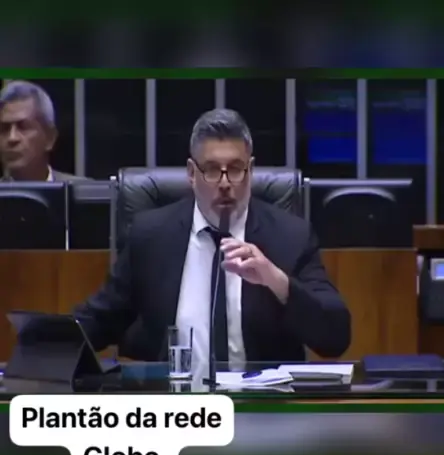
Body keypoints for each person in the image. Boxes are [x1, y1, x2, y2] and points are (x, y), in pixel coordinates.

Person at [75, 109, 351, 369]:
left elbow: (336, 337)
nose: (224, 183)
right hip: (175, 398)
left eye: (235, 168)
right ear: (191, 174)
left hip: (262, 400)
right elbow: (99, 320)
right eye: (211, 169)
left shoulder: (290, 237)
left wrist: (276, 280)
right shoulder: (151, 236)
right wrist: (51, 342)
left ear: (251, 170)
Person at [0, 80, 85, 182]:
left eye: (23, 127)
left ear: (50, 138)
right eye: (4, 129)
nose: (12, 138)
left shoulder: (82, 189)